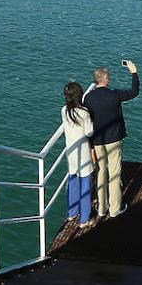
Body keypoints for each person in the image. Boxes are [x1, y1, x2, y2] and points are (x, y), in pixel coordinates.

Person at [84, 60, 139, 219]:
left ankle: (102, 208)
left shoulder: (88, 98)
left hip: (97, 140)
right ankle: (115, 209)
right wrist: (134, 72)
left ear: (96, 80)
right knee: (114, 174)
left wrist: (90, 144)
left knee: (101, 172)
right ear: (106, 80)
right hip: (114, 139)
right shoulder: (115, 95)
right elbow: (134, 92)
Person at [60, 81, 95, 226]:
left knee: (73, 180)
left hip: (71, 151)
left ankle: (72, 213)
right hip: (84, 153)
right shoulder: (84, 112)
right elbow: (89, 132)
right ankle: (84, 219)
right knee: (85, 183)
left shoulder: (64, 110)